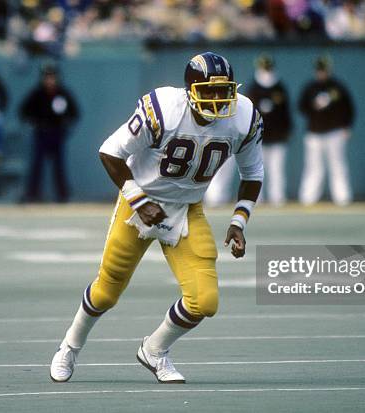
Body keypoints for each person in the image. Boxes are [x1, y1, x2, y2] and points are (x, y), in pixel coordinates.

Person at [50, 52, 264, 384]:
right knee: (107, 291)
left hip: (187, 209)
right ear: (191, 89)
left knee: (204, 301)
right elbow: (110, 151)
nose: (218, 100)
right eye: (209, 91)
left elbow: (253, 173)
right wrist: (138, 200)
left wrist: (238, 221)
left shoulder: (244, 117)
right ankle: (69, 347)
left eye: (224, 91)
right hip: (140, 204)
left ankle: (154, 349)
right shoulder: (165, 109)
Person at [298, 56, 354, 206]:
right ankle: (308, 198)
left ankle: (342, 197)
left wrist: (346, 126)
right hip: (314, 133)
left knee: (337, 165)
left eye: (324, 70)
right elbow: (301, 107)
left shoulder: (337, 87)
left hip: (334, 132)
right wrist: (313, 106)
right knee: (313, 166)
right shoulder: (310, 88)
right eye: (319, 70)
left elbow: (349, 108)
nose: (321, 73)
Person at [19, 64, 79, 203]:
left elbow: (74, 113)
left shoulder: (63, 93)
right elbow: (23, 110)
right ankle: (32, 194)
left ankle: (62, 195)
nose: (50, 80)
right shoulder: (37, 93)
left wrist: (66, 123)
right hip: (41, 132)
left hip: (57, 133)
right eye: (47, 77)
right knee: (37, 165)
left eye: (52, 77)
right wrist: (33, 121)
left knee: (59, 166)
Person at [247, 53, 291, 206]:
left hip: (278, 137)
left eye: (268, 68)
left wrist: (286, 132)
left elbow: (286, 113)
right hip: (259, 138)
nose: (266, 71)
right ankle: (257, 199)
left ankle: (277, 198)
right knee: (258, 171)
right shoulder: (253, 88)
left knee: (277, 170)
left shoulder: (280, 87)